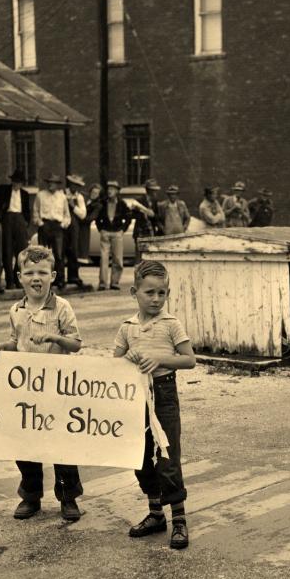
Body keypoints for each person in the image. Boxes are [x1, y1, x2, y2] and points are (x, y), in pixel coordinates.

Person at [0, 245, 83, 521]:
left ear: (53, 275)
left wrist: (56, 340)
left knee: (61, 444)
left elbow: (76, 343)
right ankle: (30, 496)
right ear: (19, 277)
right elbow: (16, 343)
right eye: (29, 273)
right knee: (25, 442)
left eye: (42, 272)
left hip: (57, 387)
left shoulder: (62, 307)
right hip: (26, 390)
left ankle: (68, 497)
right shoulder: (16, 309)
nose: (36, 278)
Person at [113, 260, 196, 550]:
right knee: (141, 456)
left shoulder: (171, 324)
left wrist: (160, 360)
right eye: (149, 293)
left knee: (167, 458)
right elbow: (115, 362)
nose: (156, 299)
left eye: (162, 293)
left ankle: (180, 521)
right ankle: (155, 514)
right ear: (134, 292)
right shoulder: (127, 328)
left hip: (164, 394)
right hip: (135, 397)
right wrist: (128, 360)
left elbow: (189, 359)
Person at [32, 173, 70, 289]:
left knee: (58, 254)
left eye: (53, 183)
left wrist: (63, 224)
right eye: (49, 183)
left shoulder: (62, 197)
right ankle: (45, 280)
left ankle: (60, 279)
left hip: (57, 227)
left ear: (58, 185)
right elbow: (35, 212)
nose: (50, 185)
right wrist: (40, 223)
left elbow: (67, 214)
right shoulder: (40, 195)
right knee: (44, 255)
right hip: (45, 225)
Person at [0, 169, 32, 289]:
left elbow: (27, 211)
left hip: (20, 219)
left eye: (19, 182)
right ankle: (9, 280)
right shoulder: (5, 190)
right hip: (7, 219)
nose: (16, 184)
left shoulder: (25, 194)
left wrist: (26, 222)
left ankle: (18, 279)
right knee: (7, 250)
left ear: (22, 183)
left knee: (22, 251)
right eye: (14, 182)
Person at [95, 180, 132, 291]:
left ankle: (115, 282)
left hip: (117, 233)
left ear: (117, 191)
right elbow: (97, 218)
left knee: (118, 259)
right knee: (104, 258)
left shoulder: (122, 203)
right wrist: (100, 229)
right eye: (108, 189)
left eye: (112, 189)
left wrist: (123, 230)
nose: (109, 191)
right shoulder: (103, 203)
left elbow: (129, 217)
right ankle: (103, 283)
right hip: (105, 232)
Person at [64, 174, 87, 288]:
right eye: (74, 185)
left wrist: (73, 207)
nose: (76, 188)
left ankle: (73, 276)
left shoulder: (79, 197)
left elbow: (83, 215)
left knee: (73, 250)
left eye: (78, 186)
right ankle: (60, 277)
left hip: (74, 226)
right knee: (60, 251)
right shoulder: (63, 194)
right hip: (62, 225)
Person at [132, 179, 162, 262]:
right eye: (153, 191)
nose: (155, 193)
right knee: (139, 257)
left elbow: (157, 217)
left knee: (150, 257)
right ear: (148, 190)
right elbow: (132, 215)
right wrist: (141, 212)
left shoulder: (155, 201)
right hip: (140, 232)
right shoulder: (139, 200)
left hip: (151, 232)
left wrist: (153, 215)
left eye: (155, 191)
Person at [79, 183, 102, 265]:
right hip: (76, 228)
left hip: (84, 229)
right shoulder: (84, 199)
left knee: (81, 252)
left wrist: (79, 216)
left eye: (96, 193)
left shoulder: (97, 205)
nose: (93, 195)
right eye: (93, 192)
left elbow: (90, 218)